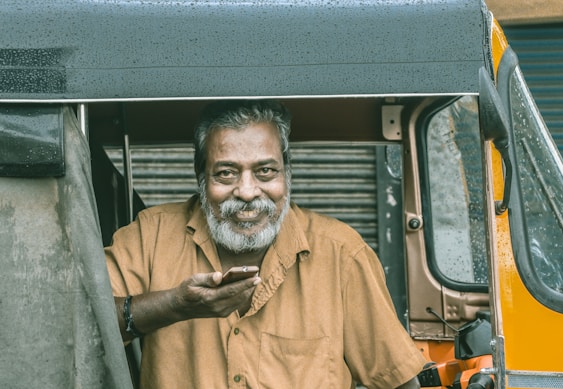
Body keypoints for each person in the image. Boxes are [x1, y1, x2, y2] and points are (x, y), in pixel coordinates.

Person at [105, 99, 427, 388]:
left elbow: (398, 383)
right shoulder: (151, 236)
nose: (247, 191)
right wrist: (175, 305)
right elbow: (80, 323)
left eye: (265, 171)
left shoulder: (342, 255)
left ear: (287, 174)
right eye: (226, 173)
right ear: (201, 177)